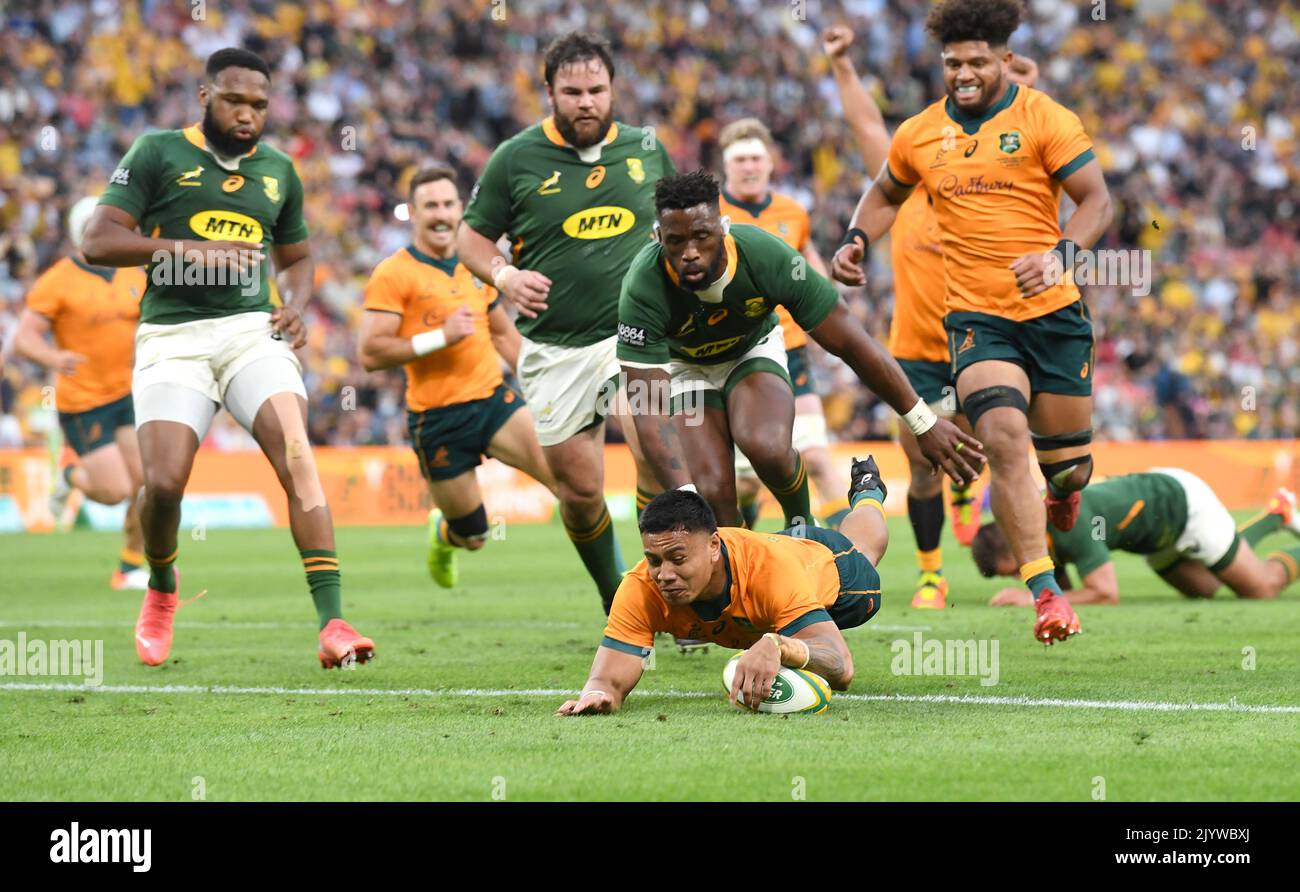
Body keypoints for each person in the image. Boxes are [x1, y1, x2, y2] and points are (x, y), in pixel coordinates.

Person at [81, 48, 374, 668]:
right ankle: (162, 587)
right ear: (205, 96)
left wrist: (295, 302)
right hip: (172, 334)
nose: (248, 115)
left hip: (250, 330)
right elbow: (98, 240)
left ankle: (334, 623)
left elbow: (296, 259)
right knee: (162, 485)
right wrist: (189, 250)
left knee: (297, 452)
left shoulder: (278, 171)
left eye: (260, 106)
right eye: (236, 101)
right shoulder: (158, 152)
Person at [831, 0, 1114, 643]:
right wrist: (855, 239)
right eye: (953, 62)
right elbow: (883, 192)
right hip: (976, 320)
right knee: (1005, 436)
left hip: (1055, 317)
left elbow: (1098, 198)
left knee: (1068, 469)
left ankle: (1063, 490)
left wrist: (1061, 256)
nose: (963, 72)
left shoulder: (1046, 118)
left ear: (1005, 60)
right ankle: (1047, 592)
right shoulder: (921, 133)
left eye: (977, 61)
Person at [616, 170, 982, 532]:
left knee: (768, 447)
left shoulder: (765, 257)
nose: (690, 253)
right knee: (710, 492)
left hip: (750, 350)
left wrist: (921, 421)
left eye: (702, 236)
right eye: (676, 241)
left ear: (723, 228)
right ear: (657, 236)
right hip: (686, 368)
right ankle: (737, 573)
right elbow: (648, 405)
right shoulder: (643, 285)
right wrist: (685, 495)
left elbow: (852, 344)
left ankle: (800, 526)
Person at [457, 32, 675, 615]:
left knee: (653, 443)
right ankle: (618, 600)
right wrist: (503, 276)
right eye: (572, 91)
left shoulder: (647, 149)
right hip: (554, 348)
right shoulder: (515, 158)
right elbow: (470, 237)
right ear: (549, 90)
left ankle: (670, 589)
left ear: (614, 90)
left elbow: (687, 222)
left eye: (597, 90)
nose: (586, 102)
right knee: (580, 495)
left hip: (636, 333)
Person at [823, 25, 1039, 608]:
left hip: (982, 342)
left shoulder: (1001, 194)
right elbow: (869, 128)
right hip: (916, 349)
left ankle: (1027, 563)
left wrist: (1021, 87)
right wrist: (842, 66)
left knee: (994, 448)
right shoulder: (911, 188)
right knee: (920, 467)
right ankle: (930, 574)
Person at [557, 457, 890, 715]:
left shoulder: (770, 571)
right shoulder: (641, 586)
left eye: (677, 557)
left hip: (829, 568)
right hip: (775, 553)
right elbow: (607, 680)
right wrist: (598, 695)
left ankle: (868, 494)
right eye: (655, 560)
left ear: (713, 546)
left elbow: (841, 667)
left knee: (865, 548)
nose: (664, 574)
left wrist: (778, 645)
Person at [359, 166, 557, 586]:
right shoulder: (393, 274)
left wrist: (548, 387)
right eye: (431, 205)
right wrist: (439, 338)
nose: (442, 214)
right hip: (437, 420)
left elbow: (503, 334)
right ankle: (444, 532)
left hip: (493, 402)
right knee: (474, 536)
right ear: (412, 212)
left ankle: (618, 593)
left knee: (569, 484)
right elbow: (371, 354)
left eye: (449, 204)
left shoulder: (475, 264)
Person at [715, 118, 850, 531]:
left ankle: (851, 559)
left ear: (771, 162)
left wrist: (832, 320)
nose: (749, 166)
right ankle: (743, 549)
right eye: (740, 159)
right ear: (726, 165)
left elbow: (812, 270)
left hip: (791, 351)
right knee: (746, 482)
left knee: (817, 458)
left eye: (757, 157)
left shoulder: (793, 213)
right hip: (737, 354)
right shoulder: (712, 214)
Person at [12, 196, 148, 589]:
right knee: (115, 491)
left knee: (148, 487)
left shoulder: (132, 275)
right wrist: (53, 357)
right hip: (83, 401)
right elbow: (24, 338)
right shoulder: (57, 280)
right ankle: (70, 473)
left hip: (126, 393)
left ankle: (128, 566)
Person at [974, 473, 1300, 604]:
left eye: (1015, 569)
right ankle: (1275, 515)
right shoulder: (1038, 533)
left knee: (1260, 588)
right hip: (1155, 536)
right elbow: (1067, 595)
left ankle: (1280, 521)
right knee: (1208, 587)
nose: (1022, 576)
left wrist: (1032, 600)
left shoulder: (1065, 523)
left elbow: (1105, 593)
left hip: (1182, 506)